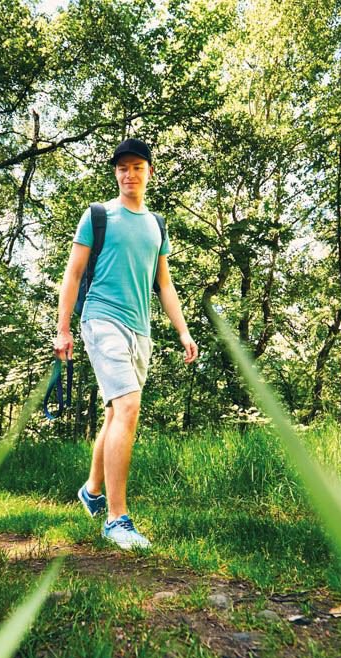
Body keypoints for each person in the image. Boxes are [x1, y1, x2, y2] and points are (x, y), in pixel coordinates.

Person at [53, 138, 199, 550]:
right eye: (122, 168)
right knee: (129, 406)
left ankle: (92, 491)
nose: (129, 174)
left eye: (136, 166)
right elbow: (73, 274)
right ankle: (117, 519)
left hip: (140, 330)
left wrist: (183, 331)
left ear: (149, 171)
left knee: (116, 412)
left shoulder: (156, 225)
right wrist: (63, 329)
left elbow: (164, 284)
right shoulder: (98, 216)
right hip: (101, 319)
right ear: (115, 174)